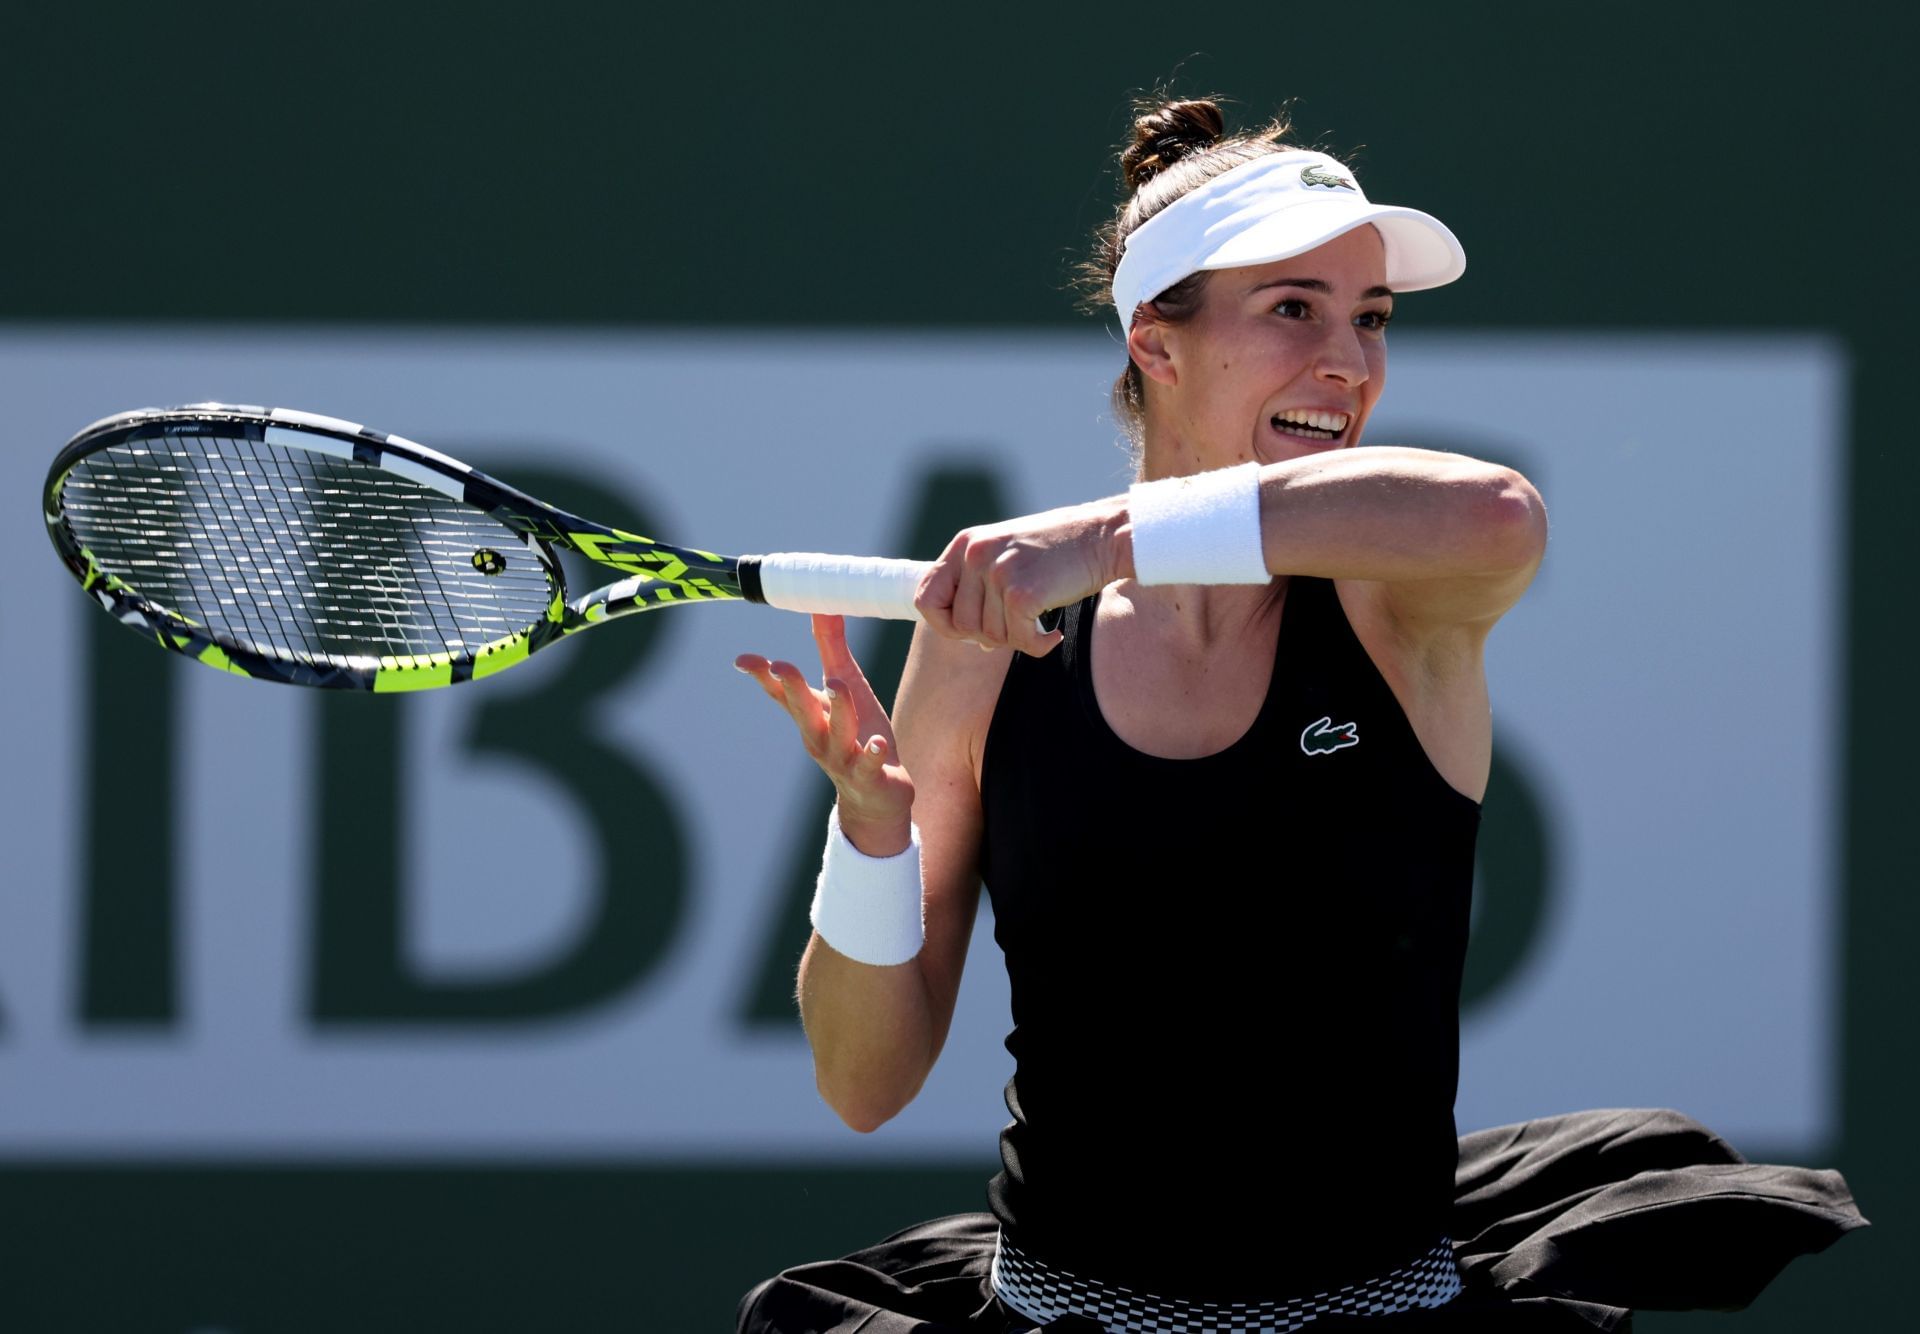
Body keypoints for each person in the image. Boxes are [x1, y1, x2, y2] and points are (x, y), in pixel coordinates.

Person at [732, 96, 1866, 1334]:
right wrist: (871, 837)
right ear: (1156, 347)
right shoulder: (982, 651)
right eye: (1294, 311)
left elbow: (1500, 513)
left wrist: (1099, 537)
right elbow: (863, 1079)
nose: (1351, 362)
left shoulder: (1395, 604)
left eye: (1370, 320)